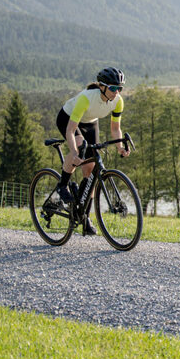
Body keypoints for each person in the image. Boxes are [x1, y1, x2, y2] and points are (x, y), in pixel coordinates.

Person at [53, 67, 129, 235]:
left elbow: (116, 128)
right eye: (113, 88)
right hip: (68, 118)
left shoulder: (118, 101)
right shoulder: (86, 98)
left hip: (90, 122)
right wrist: (74, 153)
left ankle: (84, 217)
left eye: (120, 88)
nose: (117, 92)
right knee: (80, 147)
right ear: (102, 86)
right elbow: (70, 131)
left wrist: (120, 148)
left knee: (91, 171)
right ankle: (63, 185)